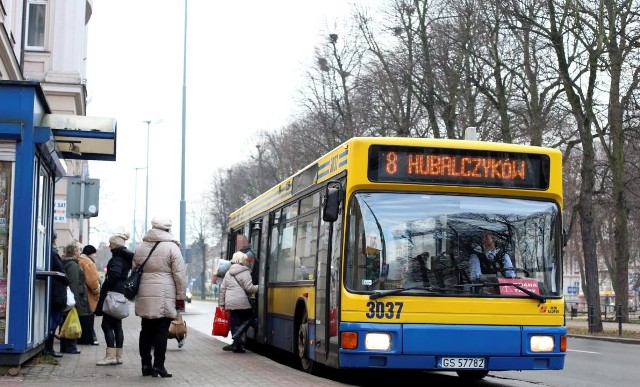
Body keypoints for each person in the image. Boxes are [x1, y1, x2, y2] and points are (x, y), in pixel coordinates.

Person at [133, 217, 187, 378]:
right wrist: (180, 297)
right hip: (164, 295)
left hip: (145, 293)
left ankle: (145, 365)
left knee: (146, 330)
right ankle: (159, 366)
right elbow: (180, 275)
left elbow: (135, 269)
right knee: (161, 332)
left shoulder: (141, 246)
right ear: (168, 229)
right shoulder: (172, 247)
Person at [94, 232, 133, 366]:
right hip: (121, 293)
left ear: (115, 244)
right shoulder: (124, 258)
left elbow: (115, 274)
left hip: (113, 293)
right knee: (117, 325)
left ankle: (110, 357)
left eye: (110, 243)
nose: (109, 246)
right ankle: (118, 356)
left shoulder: (117, 258)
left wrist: (106, 285)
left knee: (106, 325)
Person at [219, 250, 258, 353]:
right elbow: (249, 288)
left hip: (230, 303)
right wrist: (260, 287)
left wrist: (222, 304)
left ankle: (237, 346)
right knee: (250, 318)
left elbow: (223, 289)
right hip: (241, 302)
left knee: (234, 322)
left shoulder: (228, 273)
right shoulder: (245, 272)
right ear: (242, 260)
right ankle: (237, 336)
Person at [60, 240, 90, 354]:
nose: (80, 253)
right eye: (78, 250)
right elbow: (73, 283)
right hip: (73, 298)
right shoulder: (73, 264)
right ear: (74, 251)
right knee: (71, 321)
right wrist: (75, 302)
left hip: (68, 296)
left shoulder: (67, 262)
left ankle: (65, 346)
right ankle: (70, 347)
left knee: (66, 321)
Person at [44, 232, 68, 358]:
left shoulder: (48, 252)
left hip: (53, 292)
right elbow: (61, 272)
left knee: (53, 320)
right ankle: (49, 348)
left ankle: (48, 347)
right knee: (53, 320)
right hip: (56, 293)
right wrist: (66, 279)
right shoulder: (53, 254)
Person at [78, 244, 101, 345]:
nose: (95, 256)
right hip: (88, 294)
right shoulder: (88, 263)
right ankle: (91, 337)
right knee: (89, 316)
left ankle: (87, 336)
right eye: (94, 254)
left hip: (80, 292)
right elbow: (92, 281)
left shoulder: (79, 260)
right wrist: (97, 290)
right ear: (91, 254)